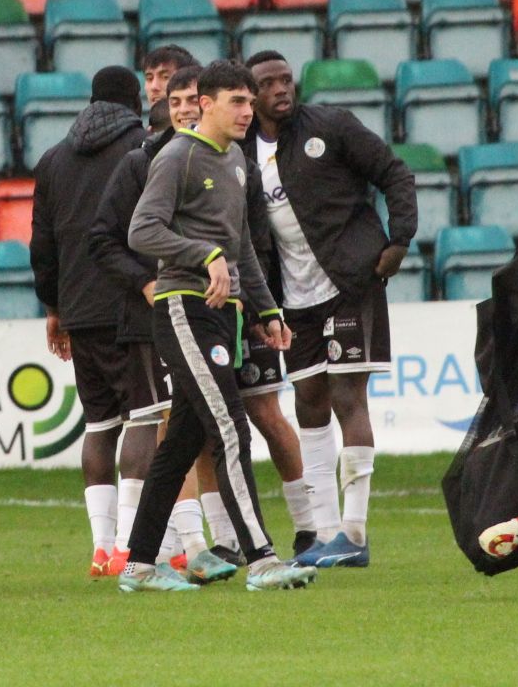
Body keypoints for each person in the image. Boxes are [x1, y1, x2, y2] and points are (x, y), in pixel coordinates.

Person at [119, 60, 317, 594]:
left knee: (182, 443)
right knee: (231, 427)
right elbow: (142, 230)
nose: (248, 111)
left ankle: (138, 566)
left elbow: (241, 244)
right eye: (237, 101)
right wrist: (201, 253)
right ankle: (263, 559)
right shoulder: (177, 156)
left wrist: (268, 309)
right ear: (204, 103)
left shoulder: (236, 160)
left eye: (250, 102)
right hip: (183, 308)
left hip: (223, 314)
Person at [244, 52, 416, 566]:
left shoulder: (331, 126)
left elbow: (394, 173)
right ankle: (322, 533)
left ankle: (355, 535)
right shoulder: (243, 152)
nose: (281, 88)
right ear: (250, 96)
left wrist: (399, 241)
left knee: (347, 396)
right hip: (292, 298)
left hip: (351, 281)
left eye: (285, 79)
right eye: (267, 83)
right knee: (309, 403)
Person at [30, 66, 151, 575]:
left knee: (100, 425)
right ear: (135, 101)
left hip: (79, 309)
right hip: (131, 302)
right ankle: (128, 544)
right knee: (146, 418)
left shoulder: (54, 158)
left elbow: (43, 243)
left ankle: (102, 547)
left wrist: (55, 308)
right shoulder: (145, 149)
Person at [88, 63, 197, 575]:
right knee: (156, 418)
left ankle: (169, 544)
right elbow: (106, 238)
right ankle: (150, 547)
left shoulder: (225, 161)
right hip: (148, 313)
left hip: (205, 311)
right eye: (174, 105)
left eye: (189, 101)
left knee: (186, 421)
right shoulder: (139, 164)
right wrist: (147, 282)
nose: (182, 112)